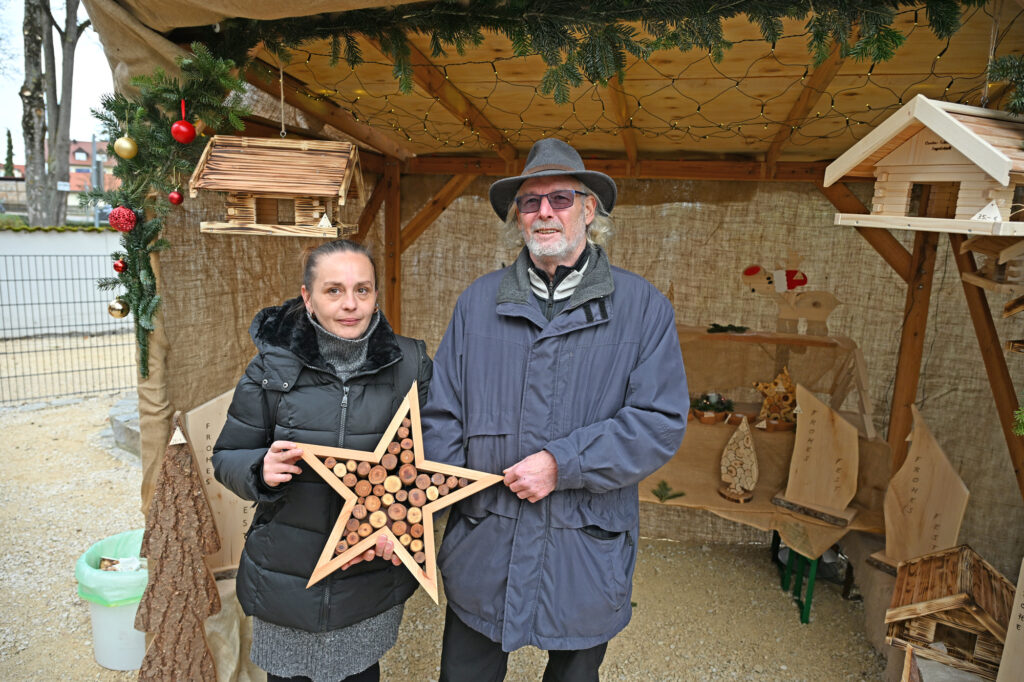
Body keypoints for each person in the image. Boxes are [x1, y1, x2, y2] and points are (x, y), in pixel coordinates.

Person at [422, 138, 689, 681]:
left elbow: (658, 421)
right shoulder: (478, 302)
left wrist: (563, 464)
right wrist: (434, 501)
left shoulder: (641, 308)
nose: (544, 211)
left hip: (584, 546)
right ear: (518, 218)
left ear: (590, 211)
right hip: (486, 540)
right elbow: (441, 413)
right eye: (530, 201)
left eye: (560, 199)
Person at [213, 239, 432, 682]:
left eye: (363, 290)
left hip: (366, 576)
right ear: (307, 297)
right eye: (333, 291)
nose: (350, 304)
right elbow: (227, 455)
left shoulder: (410, 364)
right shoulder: (271, 368)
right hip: (286, 575)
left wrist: (398, 519)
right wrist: (260, 470)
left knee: (359, 674)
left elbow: (436, 456)